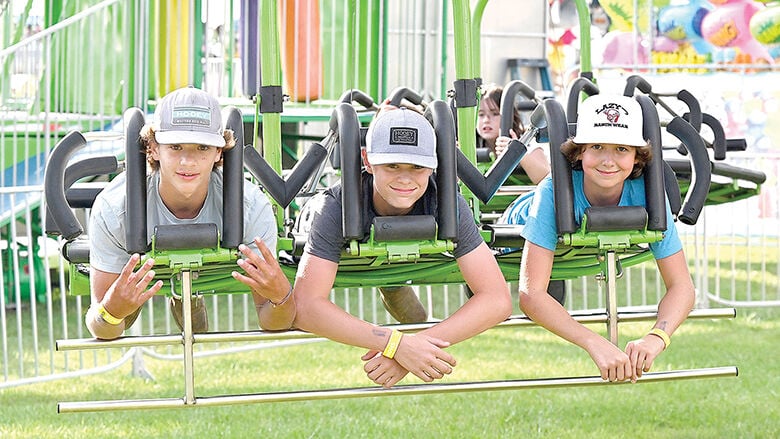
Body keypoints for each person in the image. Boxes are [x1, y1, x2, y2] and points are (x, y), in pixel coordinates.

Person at [293, 107, 513, 388]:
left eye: (417, 167)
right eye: (392, 165)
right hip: (326, 237)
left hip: (395, 257)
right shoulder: (333, 209)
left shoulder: (447, 203)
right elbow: (306, 306)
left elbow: (497, 299)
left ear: (433, 166)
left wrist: (414, 346)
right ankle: (395, 289)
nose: (405, 178)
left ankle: (396, 288)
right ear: (368, 161)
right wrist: (396, 344)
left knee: (408, 305)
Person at [500, 94, 695, 383]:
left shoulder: (649, 194)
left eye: (621, 149)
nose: (608, 160)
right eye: (597, 147)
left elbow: (682, 286)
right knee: (516, 294)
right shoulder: (552, 192)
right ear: (580, 152)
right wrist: (595, 342)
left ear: (637, 156)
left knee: (554, 291)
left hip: (575, 246)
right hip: (512, 236)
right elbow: (531, 295)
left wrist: (657, 337)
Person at [86, 86, 294, 340]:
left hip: (206, 252)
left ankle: (187, 294)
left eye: (203, 148)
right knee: (121, 314)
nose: (188, 161)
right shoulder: (114, 208)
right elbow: (101, 328)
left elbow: (274, 323)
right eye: (175, 146)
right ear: (153, 148)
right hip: (141, 261)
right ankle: (177, 295)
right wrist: (112, 312)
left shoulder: (251, 207)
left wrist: (282, 298)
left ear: (219, 151)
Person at [476, 84, 550, 185]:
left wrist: (516, 152)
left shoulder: (527, 139)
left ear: (510, 116)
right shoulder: (472, 147)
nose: (486, 120)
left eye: (495, 113)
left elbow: (546, 178)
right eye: (481, 114)